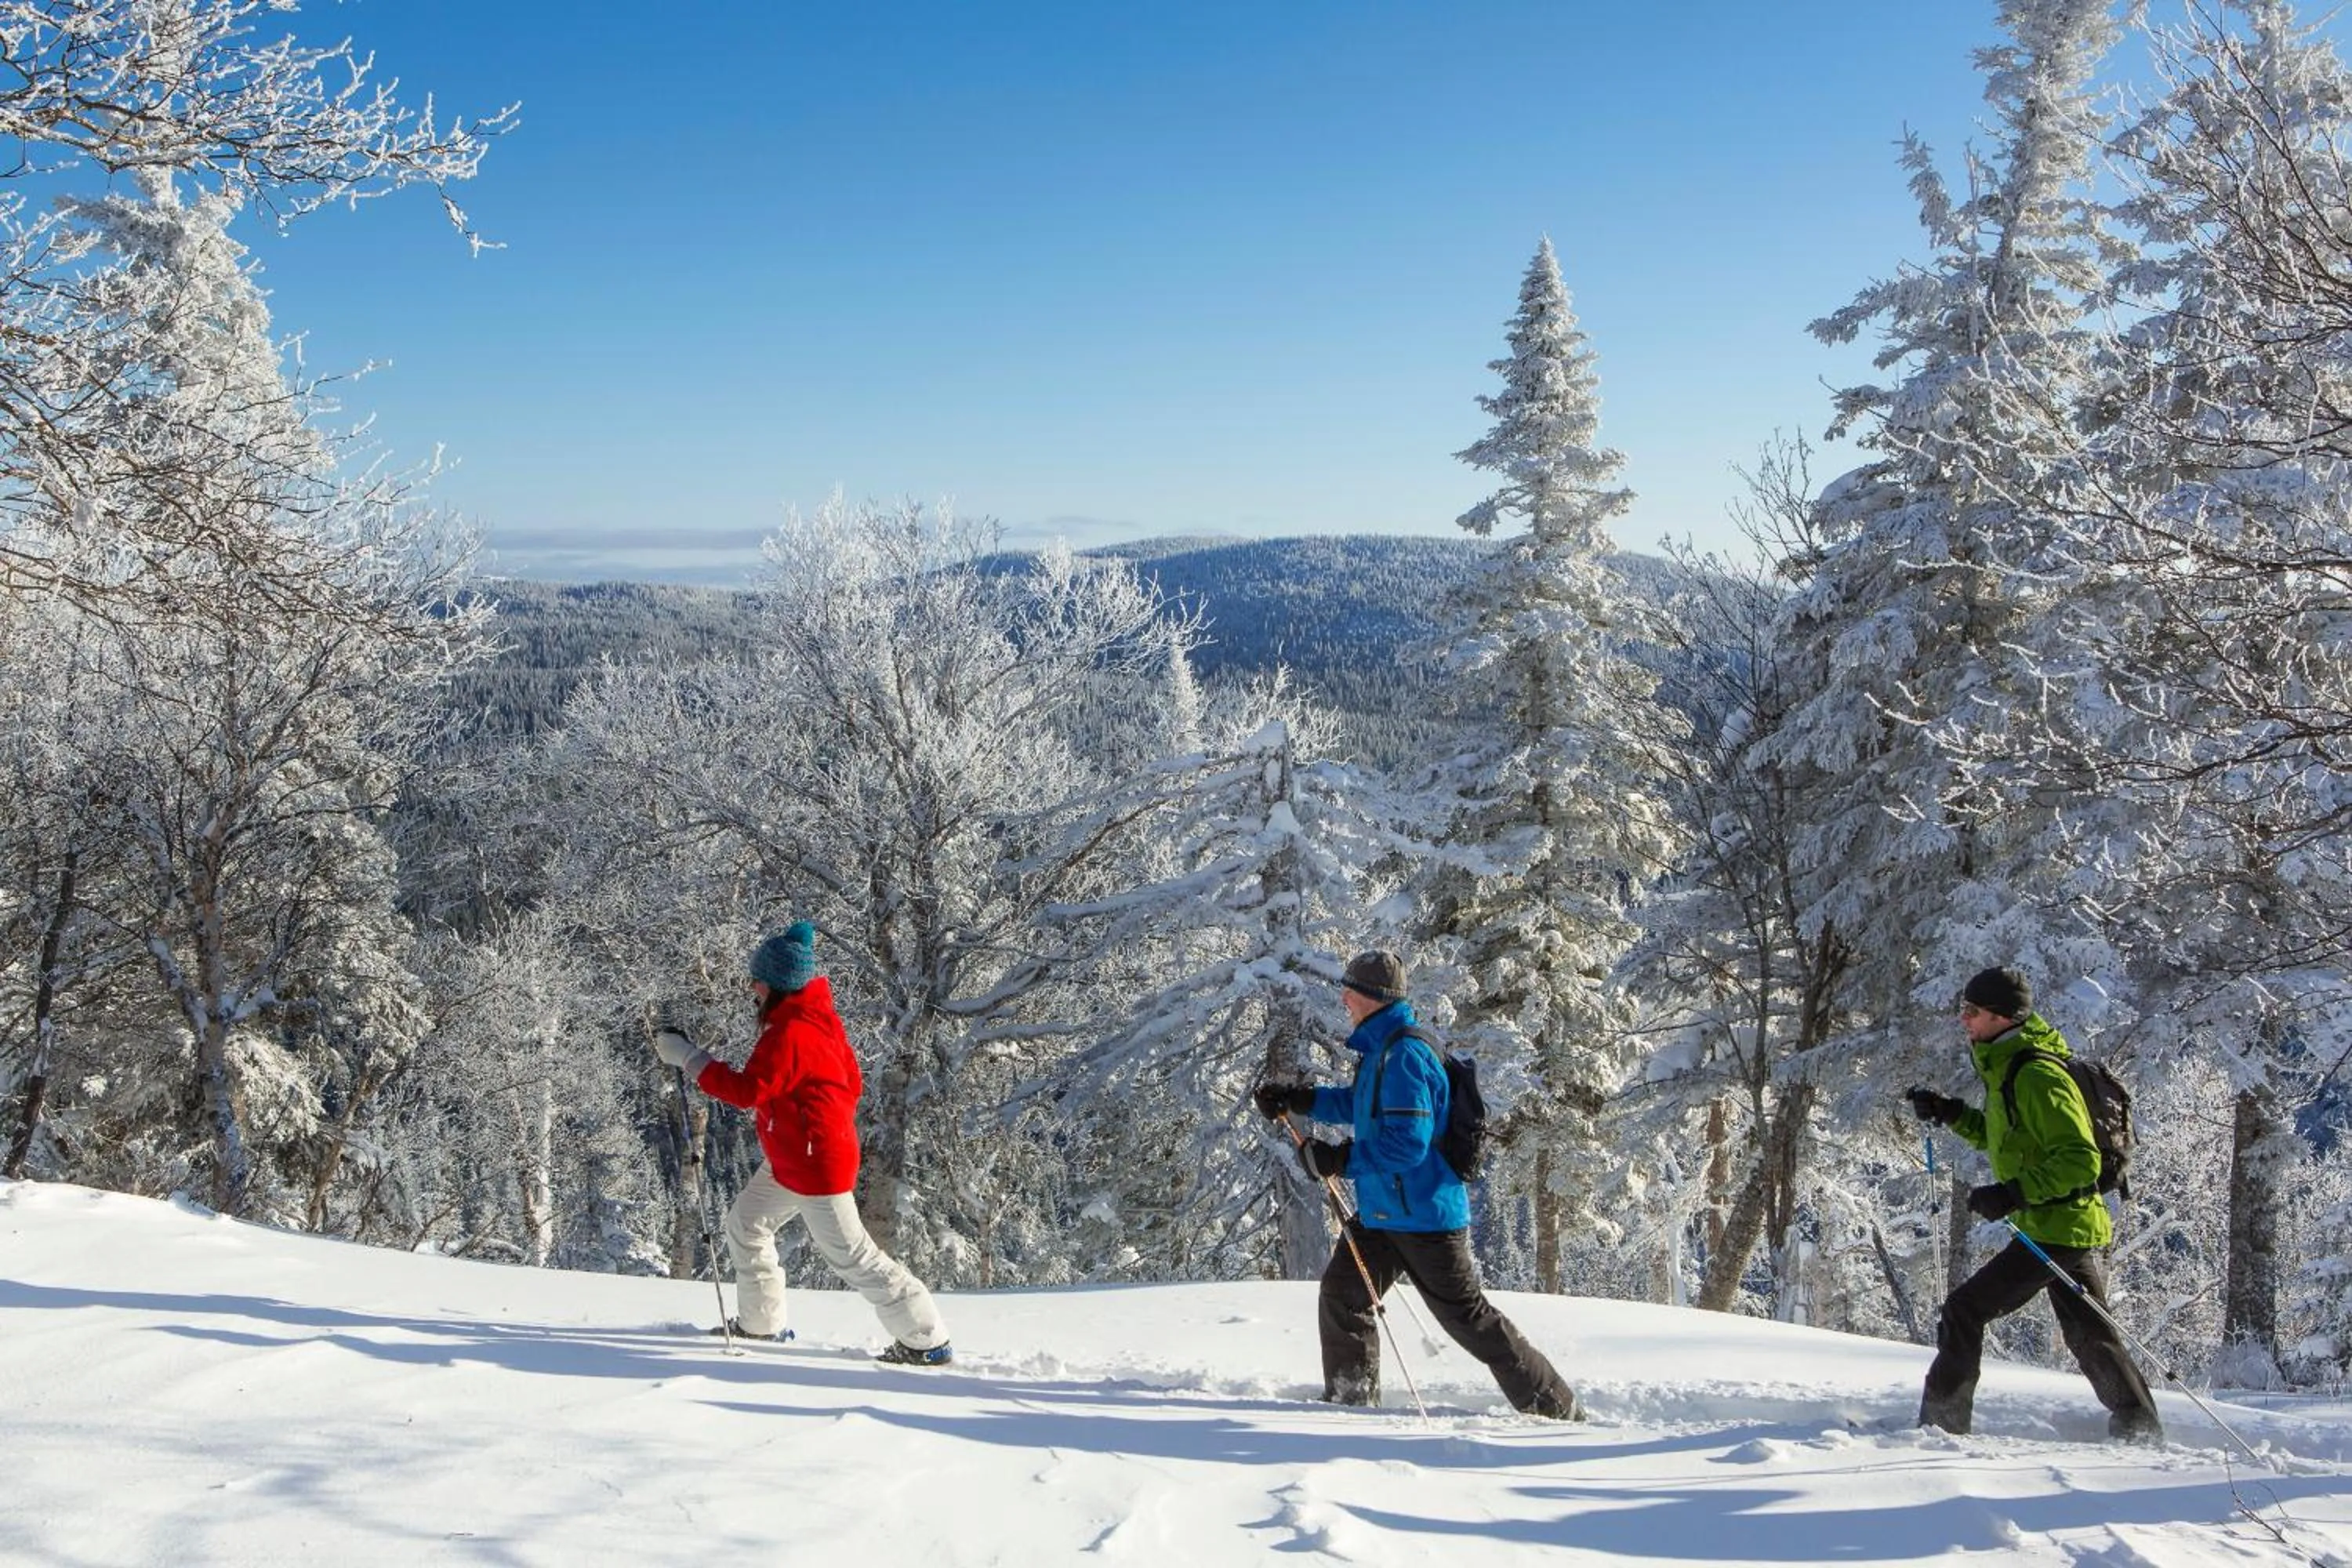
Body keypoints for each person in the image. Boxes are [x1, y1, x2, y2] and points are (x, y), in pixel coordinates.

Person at [1252, 948, 1582, 1419]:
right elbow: (1359, 1106)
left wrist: (1338, 1159)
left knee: (1470, 1321)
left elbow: (1408, 1145)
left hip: (1425, 1217)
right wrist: (1301, 1100)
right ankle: (1351, 1406)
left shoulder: (1404, 1054)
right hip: (1385, 1213)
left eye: (1351, 990)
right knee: (1343, 1296)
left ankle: (1557, 1409)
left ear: (1373, 997)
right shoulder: (1380, 1049)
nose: (1343, 997)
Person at [653, 920, 953, 1367]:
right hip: (796, 1156)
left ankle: (927, 1340)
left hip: (815, 1166)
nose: (752, 987)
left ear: (777, 985)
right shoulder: (818, 1020)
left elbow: (746, 1091)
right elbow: (851, 1083)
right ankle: (761, 1325)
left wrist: (687, 1057)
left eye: (758, 979)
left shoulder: (791, 1032)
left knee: (853, 1256)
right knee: (746, 1224)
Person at [1906, 965, 2161, 1442]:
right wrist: (1952, 1113)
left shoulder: (2037, 1075)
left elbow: (2080, 1161)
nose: (1963, 1019)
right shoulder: (2011, 1067)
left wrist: (2012, 1194)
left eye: (1971, 1010)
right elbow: (2008, 1141)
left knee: (1965, 1310)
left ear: (2002, 1017)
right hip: (2064, 1224)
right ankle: (2139, 1426)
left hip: (2055, 1225)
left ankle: (1940, 1426)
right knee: (2090, 1335)